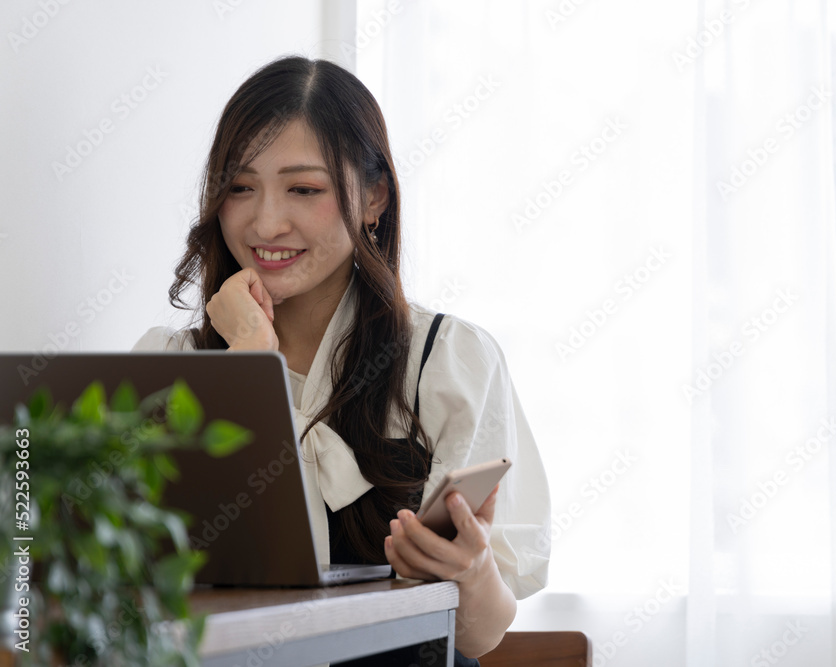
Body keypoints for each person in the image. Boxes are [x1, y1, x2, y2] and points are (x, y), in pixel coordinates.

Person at [132, 56, 550, 665]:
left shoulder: (446, 362)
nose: (266, 221)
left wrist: (473, 569)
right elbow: (130, 590)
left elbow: (478, 638)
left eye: (305, 189)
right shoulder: (168, 370)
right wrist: (248, 368)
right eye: (240, 187)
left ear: (373, 196)